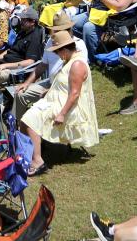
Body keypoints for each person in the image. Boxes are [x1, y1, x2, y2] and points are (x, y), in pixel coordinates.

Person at [21, 29, 99, 175]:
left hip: (68, 107)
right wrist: (49, 91)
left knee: (29, 120)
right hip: (56, 101)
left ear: (64, 50)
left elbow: (75, 93)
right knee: (26, 118)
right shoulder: (70, 61)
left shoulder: (77, 64)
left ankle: (38, 161)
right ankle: (29, 154)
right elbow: (64, 83)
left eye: (57, 51)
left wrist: (62, 114)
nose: (56, 54)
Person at [72, 0, 137, 56]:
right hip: (94, 13)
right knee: (71, 23)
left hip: (111, 18)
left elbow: (119, 7)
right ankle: (88, 46)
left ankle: (91, 57)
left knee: (88, 27)